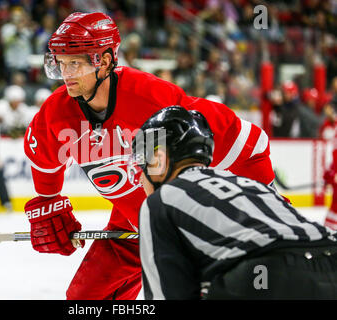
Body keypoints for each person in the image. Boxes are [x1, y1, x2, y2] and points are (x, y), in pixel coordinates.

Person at [23, 12, 275, 300]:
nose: (66, 74)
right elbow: (43, 159)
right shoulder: (56, 112)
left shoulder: (152, 99)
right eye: (61, 63)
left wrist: (267, 204)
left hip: (191, 228)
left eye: (75, 63)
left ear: (104, 61)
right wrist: (49, 201)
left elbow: (251, 143)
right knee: (86, 300)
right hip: (132, 223)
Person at [130, 106, 337, 299]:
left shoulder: (161, 200)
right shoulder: (249, 183)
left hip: (266, 272)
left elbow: (165, 294)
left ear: (158, 160)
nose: (140, 178)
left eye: (143, 165)